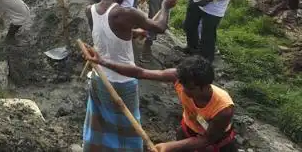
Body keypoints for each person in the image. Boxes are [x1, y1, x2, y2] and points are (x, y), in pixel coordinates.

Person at [83, 0, 177, 152]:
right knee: (128, 127)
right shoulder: (126, 13)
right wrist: (165, 6)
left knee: (100, 121)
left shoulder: (91, 10)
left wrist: (133, 33)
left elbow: (105, 34)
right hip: (122, 82)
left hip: (99, 77)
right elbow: (159, 27)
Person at [84, 53, 237, 152]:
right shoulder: (180, 78)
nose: (183, 91)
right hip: (188, 131)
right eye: (182, 85)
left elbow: (207, 139)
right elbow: (140, 72)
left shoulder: (223, 108)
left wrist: (169, 146)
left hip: (216, 143)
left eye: (189, 88)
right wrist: (103, 61)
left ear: (205, 86)